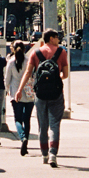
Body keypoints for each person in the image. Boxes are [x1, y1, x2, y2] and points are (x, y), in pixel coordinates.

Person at [15, 28, 69, 167]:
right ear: (51, 38)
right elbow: (65, 75)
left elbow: (27, 73)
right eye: (57, 37)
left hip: (40, 94)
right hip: (56, 94)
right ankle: (53, 154)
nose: (58, 39)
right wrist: (56, 78)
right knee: (54, 125)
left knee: (42, 126)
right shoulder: (61, 52)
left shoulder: (35, 52)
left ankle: (44, 154)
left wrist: (19, 90)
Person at [4, 41, 34, 155]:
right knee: (27, 120)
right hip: (29, 94)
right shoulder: (29, 61)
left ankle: (22, 138)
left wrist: (7, 90)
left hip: (15, 93)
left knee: (18, 119)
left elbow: (7, 79)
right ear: (25, 49)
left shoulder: (11, 62)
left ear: (13, 49)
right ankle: (26, 139)